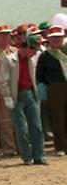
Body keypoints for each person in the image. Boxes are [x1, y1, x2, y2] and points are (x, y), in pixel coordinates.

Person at [0, 35, 46, 165]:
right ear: (26, 48)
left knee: (37, 126)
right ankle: (27, 157)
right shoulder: (9, 60)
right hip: (16, 96)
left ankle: (39, 155)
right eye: (34, 49)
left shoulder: (31, 60)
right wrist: (7, 97)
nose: (35, 52)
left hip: (31, 94)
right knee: (21, 129)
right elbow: (3, 81)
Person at [35, 25, 67, 156]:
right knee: (57, 118)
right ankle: (61, 146)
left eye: (58, 38)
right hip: (54, 88)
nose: (56, 40)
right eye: (53, 38)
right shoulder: (45, 55)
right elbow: (40, 74)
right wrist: (43, 90)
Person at [0, 24, 18, 156]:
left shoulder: (15, 51)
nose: (6, 37)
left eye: (7, 34)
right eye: (2, 35)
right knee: (5, 121)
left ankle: (21, 145)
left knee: (19, 118)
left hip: (17, 89)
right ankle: (9, 148)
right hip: (2, 91)